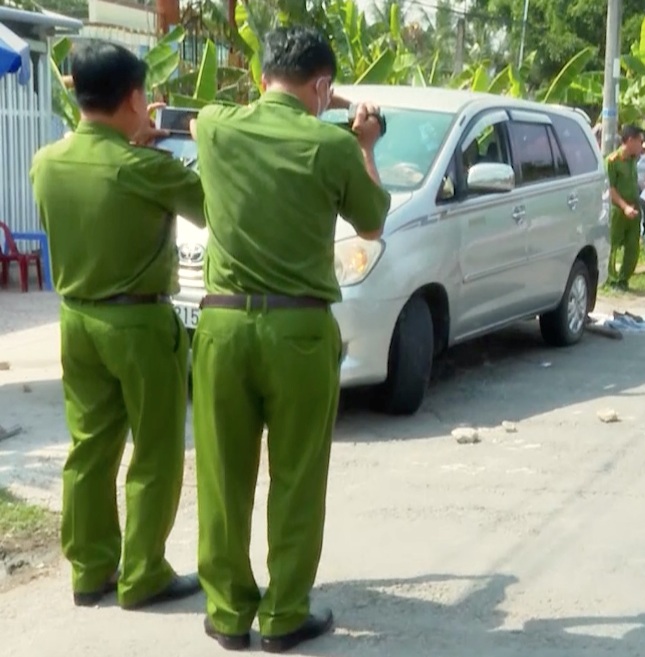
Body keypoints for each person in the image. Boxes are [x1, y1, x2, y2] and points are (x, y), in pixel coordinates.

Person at [190, 26, 390, 652]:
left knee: (223, 477)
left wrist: (314, 99)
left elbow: (224, 111)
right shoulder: (330, 147)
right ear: (322, 84)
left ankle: (226, 613)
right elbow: (373, 220)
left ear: (261, 76)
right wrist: (363, 142)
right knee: (297, 477)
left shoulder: (216, 127)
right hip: (300, 330)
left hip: (222, 326)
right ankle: (282, 616)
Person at [29, 43, 205, 609]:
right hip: (139, 322)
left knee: (89, 449)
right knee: (154, 451)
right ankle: (143, 573)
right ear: (135, 98)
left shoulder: (45, 161)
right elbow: (210, 208)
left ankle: (90, 570)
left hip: (76, 319)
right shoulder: (147, 168)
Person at [606, 124, 645, 290]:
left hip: (634, 207)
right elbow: (610, 188)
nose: (642, 145)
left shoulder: (633, 160)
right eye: (640, 141)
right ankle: (611, 279)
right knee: (612, 245)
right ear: (630, 140)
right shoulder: (612, 161)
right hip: (618, 209)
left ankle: (624, 279)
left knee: (632, 246)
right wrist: (624, 207)